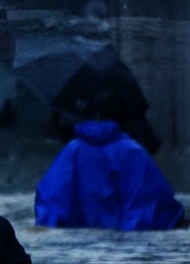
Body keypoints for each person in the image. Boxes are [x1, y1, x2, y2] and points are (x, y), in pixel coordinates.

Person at [36, 92, 185, 231]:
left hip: (77, 246)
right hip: (122, 246)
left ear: (95, 115)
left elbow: (50, 201)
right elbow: (151, 207)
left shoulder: (73, 150)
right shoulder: (132, 151)